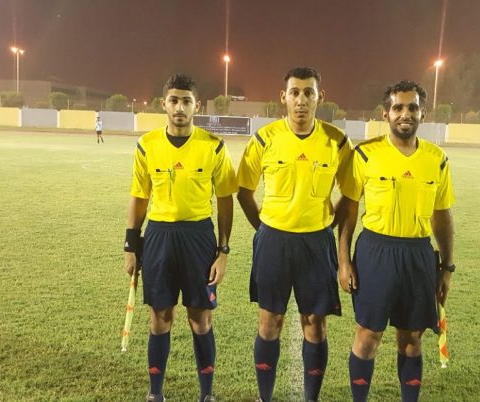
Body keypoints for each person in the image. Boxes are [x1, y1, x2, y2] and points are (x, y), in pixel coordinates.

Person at [236, 67, 353, 402]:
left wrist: (330, 221)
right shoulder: (265, 138)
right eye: (295, 92)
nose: (301, 100)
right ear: (283, 97)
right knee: (269, 320)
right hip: (273, 241)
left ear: (320, 97)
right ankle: (264, 397)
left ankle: (311, 398)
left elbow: (351, 194)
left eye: (308, 93)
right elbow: (244, 191)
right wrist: (264, 228)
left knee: (315, 323)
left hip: (317, 243)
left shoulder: (337, 141)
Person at [336, 80, 456, 402]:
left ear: (422, 113)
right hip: (375, 252)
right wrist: (344, 261)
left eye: (413, 108)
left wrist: (446, 268)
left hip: (418, 255)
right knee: (368, 336)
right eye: (398, 107)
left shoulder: (437, 159)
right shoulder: (365, 154)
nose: (406, 114)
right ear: (385, 113)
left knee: (412, 339)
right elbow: (348, 211)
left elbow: (442, 216)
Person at [124, 74, 238, 402]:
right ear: (164, 104)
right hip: (158, 237)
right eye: (174, 100)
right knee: (160, 317)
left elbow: (225, 200)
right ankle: (155, 394)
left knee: (200, 318)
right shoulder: (147, 145)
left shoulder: (213, 146)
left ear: (196, 106)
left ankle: (207, 394)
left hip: (199, 238)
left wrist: (223, 251)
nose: (179, 107)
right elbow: (139, 197)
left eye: (186, 101)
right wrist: (131, 244)